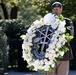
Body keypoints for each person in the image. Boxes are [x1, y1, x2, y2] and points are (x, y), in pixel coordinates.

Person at [46, 2, 74, 75]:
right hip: (50, 54)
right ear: (52, 10)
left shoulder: (67, 21)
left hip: (63, 54)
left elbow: (71, 35)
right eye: (54, 9)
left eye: (58, 9)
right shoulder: (46, 22)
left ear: (61, 10)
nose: (56, 10)